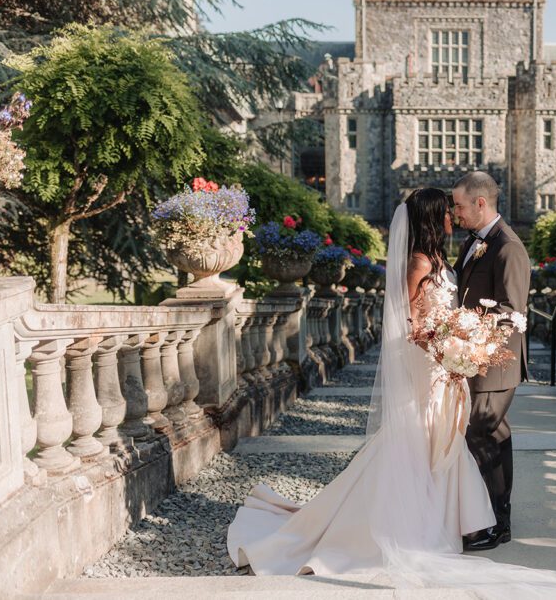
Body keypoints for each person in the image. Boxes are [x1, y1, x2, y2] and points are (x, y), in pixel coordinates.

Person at [226, 188, 495, 575]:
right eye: (447, 211)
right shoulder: (418, 263)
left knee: (441, 440)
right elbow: (407, 324)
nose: (453, 216)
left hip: (444, 368)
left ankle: (444, 520)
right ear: (432, 218)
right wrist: (445, 347)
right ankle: (385, 526)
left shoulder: (439, 261)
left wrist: (461, 342)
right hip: (429, 367)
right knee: (417, 441)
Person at [451, 171, 531, 551]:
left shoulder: (507, 247)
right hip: (476, 359)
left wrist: (462, 328)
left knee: (480, 432)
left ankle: (497, 524)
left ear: (480, 203)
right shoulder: (474, 241)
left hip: (495, 362)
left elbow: (511, 310)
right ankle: (494, 517)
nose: (455, 213)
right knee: (495, 434)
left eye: (460, 205)